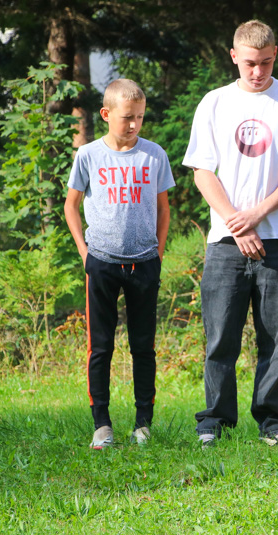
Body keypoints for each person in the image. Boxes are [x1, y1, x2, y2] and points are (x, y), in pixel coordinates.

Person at [183, 20, 278, 448]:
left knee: (275, 338)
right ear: (233, 57)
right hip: (226, 242)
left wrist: (259, 213)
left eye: (265, 63)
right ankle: (214, 421)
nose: (257, 72)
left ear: (275, 55)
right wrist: (234, 221)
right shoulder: (214, 102)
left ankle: (272, 420)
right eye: (249, 63)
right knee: (220, 336)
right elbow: (202, 171)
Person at [64, 79, 175, 449]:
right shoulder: (89, 155)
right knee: (101, 346)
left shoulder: (154, 155)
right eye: (127, 117)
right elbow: (71, 205)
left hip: (144, 264)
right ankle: (102, 425)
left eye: (140, 117)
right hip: (103, 263)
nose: (134, 125)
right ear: (106, 114)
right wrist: (85, 252)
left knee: (143, 346)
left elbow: (163, 209)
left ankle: (143, 423)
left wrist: (157, 253)